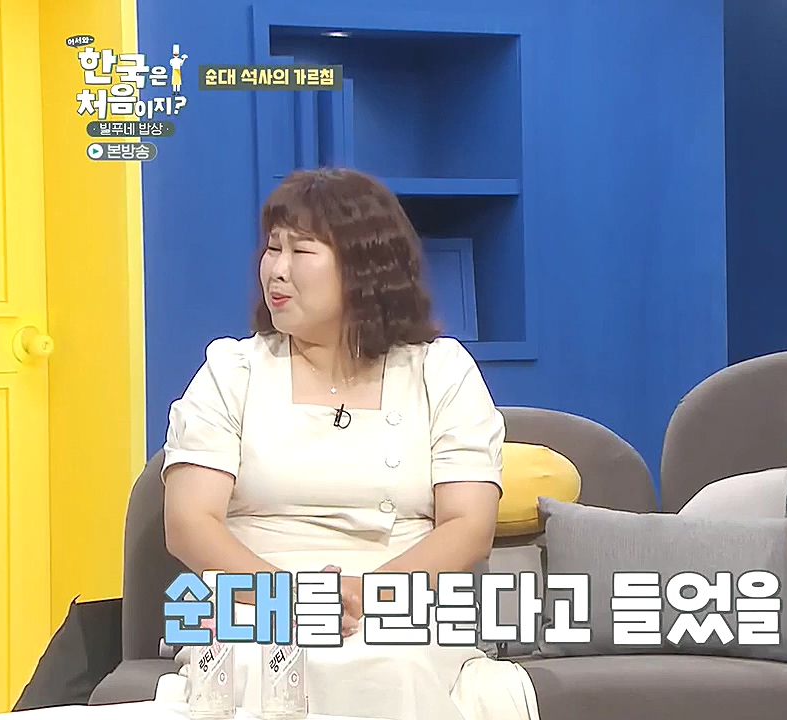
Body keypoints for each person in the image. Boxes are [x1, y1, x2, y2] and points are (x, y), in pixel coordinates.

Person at [152, 167, 541, 720]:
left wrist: (368, 593)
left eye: (301, 251)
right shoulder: (231, 370)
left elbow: (468, 525)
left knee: (391, 666)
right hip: (254, 596)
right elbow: (189, 522)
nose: (277, 270)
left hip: (398, 595)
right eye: (272, 248)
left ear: (363, 267)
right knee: (261, 667)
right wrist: (292, 599)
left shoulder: (440, 371)